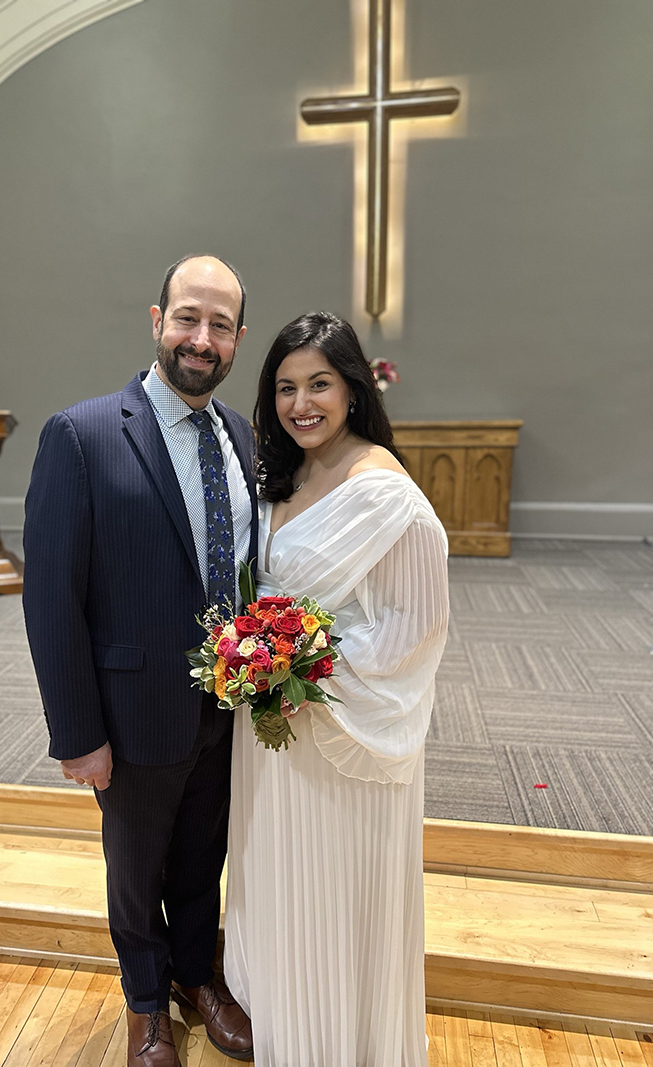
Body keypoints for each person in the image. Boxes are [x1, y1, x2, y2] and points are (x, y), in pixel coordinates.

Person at [23, 255, 257, 1067]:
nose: (202, 338)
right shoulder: (81, 435)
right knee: (136, 867)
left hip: (227, 706)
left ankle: (200, 977)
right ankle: (147, 1004)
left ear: (237, 339)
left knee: (203, 853)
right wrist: (76, 733)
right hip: (128, 713)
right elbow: (51, 601)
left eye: (219, 324)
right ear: (155, 319)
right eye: (188, 317)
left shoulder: (240, 432)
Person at [223, 311, 449, 1067]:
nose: (301, 403)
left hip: (342, 738)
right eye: (286, 387)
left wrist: (304, 672)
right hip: (272, 735)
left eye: (319, 383)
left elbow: (414, 629)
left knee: (337, 896)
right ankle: (288, 1025)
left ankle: (343, 1044)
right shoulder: (284, 470)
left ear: (353, 387)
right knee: (283, 886)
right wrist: (258, 662)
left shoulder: (388, 494)